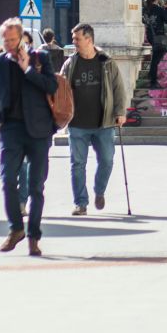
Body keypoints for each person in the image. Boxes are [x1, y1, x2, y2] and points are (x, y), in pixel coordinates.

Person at [0, 18, 58, 255]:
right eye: (5, 40)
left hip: (38, 130)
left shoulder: (40, 58)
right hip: (11, 130)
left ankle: (33, 237)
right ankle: (16, 228)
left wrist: (28, 69)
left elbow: (51, 87)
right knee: (7, 181)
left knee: (36, 187)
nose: (8, 44)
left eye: (12, 40)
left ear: (22, 38)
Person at [61, 23, 128, 214]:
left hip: (104, 122)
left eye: (77, 39)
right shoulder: (70, 63)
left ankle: (99, 191)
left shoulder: (106, 62)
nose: (74, 43)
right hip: (77, 123)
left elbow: (118, 88)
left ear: (88, 40)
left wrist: (120, 112)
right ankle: (80, 203)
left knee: (107, 160)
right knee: (77, 164)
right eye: (74, 39)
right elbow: (62, 90)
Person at [143, 0, 167, 88]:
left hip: (150, 36)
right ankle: (152, 80)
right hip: (159, 37)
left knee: (156, 56)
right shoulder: (159, 9)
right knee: (156, 58)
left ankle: (151, 76)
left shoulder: (145, 9)